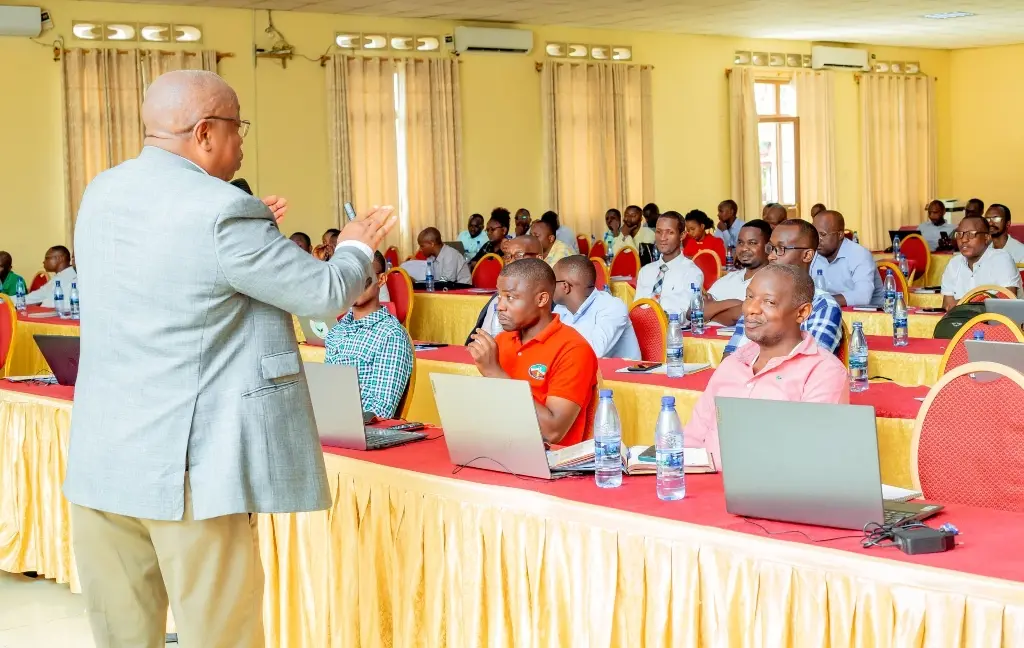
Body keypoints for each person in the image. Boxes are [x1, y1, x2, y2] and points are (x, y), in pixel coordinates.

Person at [64, 69, 397, 647]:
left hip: (103, 460)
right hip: (189, 469)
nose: (242, 142)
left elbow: (175, 271)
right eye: (237, 127)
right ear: (205, 133)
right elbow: (323, 293)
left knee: (122, 636)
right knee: (221, 635)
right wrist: (354, 247)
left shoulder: (102, 191)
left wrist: (254, 237)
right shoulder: (222, 212)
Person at [683, 264, 849, 465]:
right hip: (703, 480)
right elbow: (691, 440)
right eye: (749, 297)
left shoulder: (824, 372)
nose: (751, 309)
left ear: (802, 312)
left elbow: (808, 459)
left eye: (769, 302)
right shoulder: (733, 364)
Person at [467, 258, 598, 445]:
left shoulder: (573, 349)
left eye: (510, 297)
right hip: (502, 444)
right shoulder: (503, 340)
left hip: (552, 456)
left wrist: (495, 373)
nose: (500, 306)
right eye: (499, 296)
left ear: (542, 299)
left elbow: (552, 432)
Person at [725, 219, 843, 355]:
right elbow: (731, 356)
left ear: (807, 255)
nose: (771, 256)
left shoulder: (822, 306)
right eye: (770, 248)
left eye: (781, 249)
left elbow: (810, 363)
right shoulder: (756, 300)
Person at [325, 251, 413, 419]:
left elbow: (380, 411)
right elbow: (328, 394)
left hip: (360, 428)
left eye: (364, 278)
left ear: (381, 279)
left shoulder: (390, 335)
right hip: (331, 423)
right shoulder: (337, 331)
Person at [552, 255, 641, 360]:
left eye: (551, 282)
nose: (548, 287)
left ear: (565, 286)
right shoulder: (560, 309)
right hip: (577, 367)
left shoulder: (611, 307)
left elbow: (592, 351)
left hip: (618, 371)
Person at [466, 236, 542, 344]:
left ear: (538, 258)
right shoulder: (498, 297)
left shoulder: (549, 298)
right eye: (507, 256)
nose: (511, 261)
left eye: (518, 255)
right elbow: (482, 337)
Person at [940, 214, 1022, 311]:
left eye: (971, 234)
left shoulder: (1001, 259)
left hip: (999, 320)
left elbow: (1008, 303)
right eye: (959, 234)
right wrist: (981, 302)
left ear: (987, 238)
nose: (964, 239)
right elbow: (948, 306)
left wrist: (962, 304)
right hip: (962, 320)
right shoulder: (954, 263)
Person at [635, 212, 704, 322]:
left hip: (672, 329)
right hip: (643, 329)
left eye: (670, 232)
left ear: (682, 235)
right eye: (659, 232)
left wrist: (658, 319)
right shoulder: (645, 271)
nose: (662, 238)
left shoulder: (691, 272)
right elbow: (636, 309)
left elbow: (686, 315)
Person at [703, 219, 772, 326]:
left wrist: (711, 310)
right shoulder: (729, 278)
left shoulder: (773, 281)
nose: (744, 248)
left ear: (769, 247)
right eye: (740, 242)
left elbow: (742, 314)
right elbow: (694, 312)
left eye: (752, 243)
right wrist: (734, 303)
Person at [810, 210, 884, 307]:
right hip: (829, 310)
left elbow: (862, 297)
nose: (817, 240)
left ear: (840, 235)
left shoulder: (859, 255)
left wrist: (822, 301)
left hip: (868, 314)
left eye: (822, 234)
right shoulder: (813, 255)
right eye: (815, 234)